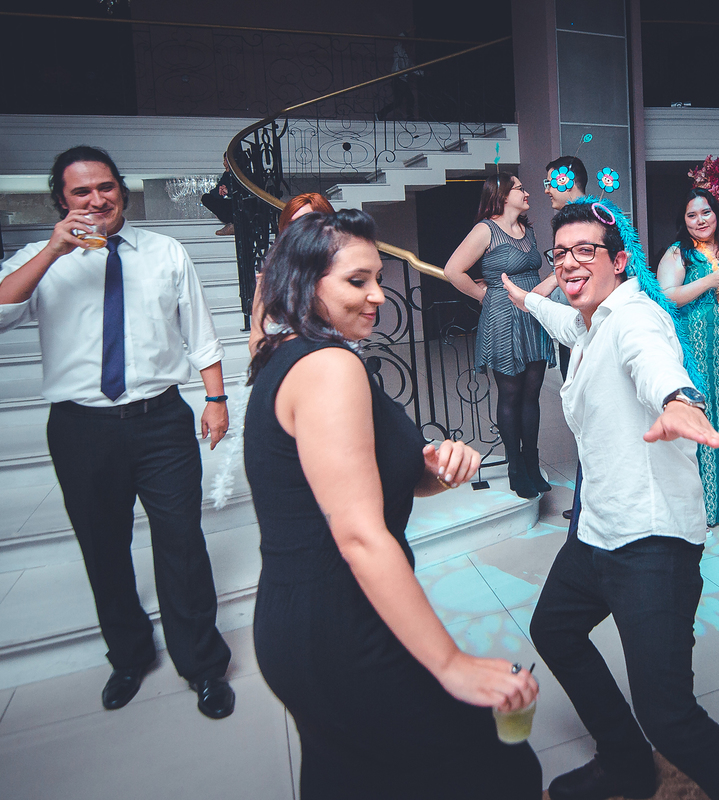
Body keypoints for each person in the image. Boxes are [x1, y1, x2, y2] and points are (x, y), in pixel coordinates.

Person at [245, 209, 541, 798]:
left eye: (378, 278)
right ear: (304, 284)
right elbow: (358, 534)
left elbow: (355, 485)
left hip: (301, 622)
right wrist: (451, 663)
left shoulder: (294, 352)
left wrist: (427, 470)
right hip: (338, 624)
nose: (379, 295)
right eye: (357, 281)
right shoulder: (329, 367)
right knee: (502, 772)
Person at [503, 197, 719, 800]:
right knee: (554, 630)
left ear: (620, 260)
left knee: (669, 717)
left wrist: (678, 399)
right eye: (560, 253)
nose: (569, 263)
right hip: (597, 531)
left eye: (585, 251)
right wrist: (525, 300)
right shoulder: (589, 319)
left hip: (652, 543)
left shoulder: (634, 318)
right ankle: (626, 762)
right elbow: (564, 321)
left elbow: (652, 361)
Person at [0, 146, 235, 718]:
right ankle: (129, 656)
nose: (96, 199)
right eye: (81, 191)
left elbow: (199, 330)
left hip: (161, 420)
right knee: (103, 546)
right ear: (61, 200)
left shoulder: (165, 251)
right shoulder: (40, 257)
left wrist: (215, 399)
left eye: (105, 187)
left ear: (121, 191)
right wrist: (53, 252)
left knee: (182, 543)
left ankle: (203, 664)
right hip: (81, 427)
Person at [443, 174, 555, 499]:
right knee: (510, 394)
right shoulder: (485, 230)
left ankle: (532, 463)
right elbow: (453, 270)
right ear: (503, 195)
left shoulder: (529, 230)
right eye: (520, 188)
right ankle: (515, 467)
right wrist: (484, 296)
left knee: (532, 394)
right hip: (503, 318)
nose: (527, 192)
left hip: (532, 315)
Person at [656, 188, 719, 526]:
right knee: (698, 425)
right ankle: (698, 511)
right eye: (692, 215)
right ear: (683, 221)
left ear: (717, 215)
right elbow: (666, 297)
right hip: (694, 354)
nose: (700, 220)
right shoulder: (678, 253)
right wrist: (710, 280)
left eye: (706, 213)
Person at [248, 192, 336, 356]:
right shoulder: (270, 280)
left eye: (309, 222)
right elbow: (256, 339)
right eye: (292, 224)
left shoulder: (341, 275)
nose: (300, 230)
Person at [538, 155, 588, 380]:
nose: (546, 190)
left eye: (549, 183)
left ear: (565, 181)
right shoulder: (570, 218)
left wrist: (549, 283)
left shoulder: (590, 219)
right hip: (572, 322)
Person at [200, 154, 236, 236]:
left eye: (226, 160)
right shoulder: (226, 175)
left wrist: (229, 191)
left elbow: (244, 193)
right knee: (206, 198)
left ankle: (234, 225)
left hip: (241, 206)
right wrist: (220, 192)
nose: (224, 163)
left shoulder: (243, 175)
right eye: (224, 161)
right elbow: (214, 193)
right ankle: (231, 224)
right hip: (230, 206)